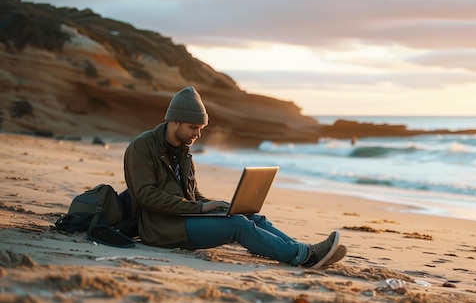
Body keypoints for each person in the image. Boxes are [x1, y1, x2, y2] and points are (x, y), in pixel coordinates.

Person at [124, 86, 344, 269]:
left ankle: (303, 250)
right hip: (161, 229)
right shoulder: (142, 147)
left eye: (200, 128)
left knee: (252, 218)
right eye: (193, 127)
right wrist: (201, 209)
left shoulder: (183, 150)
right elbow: (146, 196)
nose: (198, 134)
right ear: (175, 121)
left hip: (184, 219)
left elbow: (191, 194)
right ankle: (302, 257)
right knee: (238, 225)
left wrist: (214, 205)